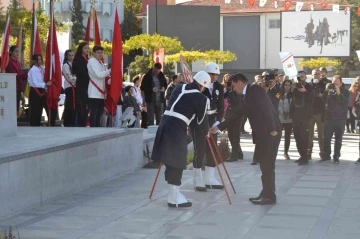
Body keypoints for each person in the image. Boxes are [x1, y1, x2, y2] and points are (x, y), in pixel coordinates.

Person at [210, 72, 282, 205]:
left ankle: (269, 196)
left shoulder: (255, 90)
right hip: (262, 134)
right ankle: (266, 192)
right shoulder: (246, 95)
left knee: (267, 165)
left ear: (239, 82)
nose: (232, 89)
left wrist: (272, 129)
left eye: (232, 85)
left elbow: (266, 108)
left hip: (270, 133)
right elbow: (236, 114)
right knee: (264, 164)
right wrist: (219, 126)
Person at [151, 71, 210, 207]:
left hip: (164, 123)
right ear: (203, 86)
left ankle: (173, 194)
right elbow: (201, 121)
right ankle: (174, 197)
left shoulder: (179, 87)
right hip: (177, 127)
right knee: (177, 160)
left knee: (170, 159)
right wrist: (206, 132)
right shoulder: (201, 98)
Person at [194, 62, 224, 190]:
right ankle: (197, 180)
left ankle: (210, 178)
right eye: (212, 74)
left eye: (216, 75)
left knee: (212, 150)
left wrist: (217, 123)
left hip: (212, 121)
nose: (214, 77)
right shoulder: (199, 86)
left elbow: (221, 106)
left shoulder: (218, 87)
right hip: (200, 121)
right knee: (200, 150)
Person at [320, 76, 350, 164]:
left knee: (338, 139)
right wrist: (326, 90)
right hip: (329, 117)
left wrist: (339, 92)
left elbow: (344, 102)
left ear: (341, 83)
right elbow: (323, 100)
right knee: (326, 138)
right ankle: (326, 156)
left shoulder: (345, 91)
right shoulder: (329, 90)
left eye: (337, 84)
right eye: (333, 83)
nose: (334, 85)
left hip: (340, 118)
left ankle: (336, 156)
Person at [290, 71, 313, 165]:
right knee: (297, 136)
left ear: (305, 77)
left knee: (304, 136)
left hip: (305, 116)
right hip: (295, 115)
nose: (300, 78)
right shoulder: (295, 87)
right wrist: (292, 89)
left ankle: (305, 157)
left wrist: (305, 92)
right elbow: (290, 98)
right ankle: (301, 155)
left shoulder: (309, 86)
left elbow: (312, 99)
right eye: (299, 77)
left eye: (302, 77)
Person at [87, 45, 111, 127]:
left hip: (101, 92)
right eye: (98, 53)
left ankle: (97, 128)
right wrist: (110, 71)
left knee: (99, 113)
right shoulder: (91, 61)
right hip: (94, 92)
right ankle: (94, 128)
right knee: (94, 113)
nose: (100, 54)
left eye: (101, 53)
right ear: (93, 53)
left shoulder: (101, 63)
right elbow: (99, 75)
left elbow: (104, 77)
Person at [28, 54, 52, 126]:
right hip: (35, 91)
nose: (40, 61)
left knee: (40, 110)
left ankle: (38, 124)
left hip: (42, 90)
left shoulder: (41, 68)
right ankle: (33, 125)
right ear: (34, 61)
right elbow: (35, 83)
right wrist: (45, 84)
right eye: (38, 59)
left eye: (40, 59)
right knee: (35, 110)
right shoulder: (33, 70)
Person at [308, 69, 326, 160]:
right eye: (315, 74)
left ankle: (322, 153)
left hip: (320, 113)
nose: (317, 76)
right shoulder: (308, 85)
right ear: (312, 75)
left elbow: (327, 98)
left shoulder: (324, 85)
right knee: (309, 135)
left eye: (318, 74)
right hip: (310, 114)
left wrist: (321, 96)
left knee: (321, 135)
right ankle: (308, 153)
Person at [72, 42, 90, 127]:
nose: (87, 50)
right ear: (81, 49)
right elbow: (82, 72)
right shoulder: (78, 59)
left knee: (87, 105)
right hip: (82, 84)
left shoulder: (87, 59)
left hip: (88, 85)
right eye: (85, 48)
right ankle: (81, 123)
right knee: (83, 105)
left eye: (88, 48)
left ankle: (84, 122)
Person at [5, 45, 28, 113]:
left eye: (18, 51)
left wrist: (28, 75)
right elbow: (14, 74)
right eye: (16, 51)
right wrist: (27, 73)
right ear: (11, 52)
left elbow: (21, 75)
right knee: (12, 107)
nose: (18, 53)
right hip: (12, 87)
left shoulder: (17, 62)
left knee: (17, 107)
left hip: (18, 87)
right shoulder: (9, 62)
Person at [279, 79, 293, 160]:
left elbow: (293, 105)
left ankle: (286, 152)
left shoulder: (292, 95)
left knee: (287, 136)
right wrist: (282, 112)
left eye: (288, 85)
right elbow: (277, 103)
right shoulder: (279, 94)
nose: (287, 87)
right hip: (280, 118)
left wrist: (288, 113)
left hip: (289, 118)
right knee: (277, 135)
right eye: (285, 85)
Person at [62, 50, 77, 127]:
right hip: (69, 87)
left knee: (74, 106)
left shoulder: (74, 64)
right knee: (69, 105)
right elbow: (70, 77)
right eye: (70, 55)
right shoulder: (66, 65)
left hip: (75, 87)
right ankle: (67, 123)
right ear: (66, 56)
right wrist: (78, 79)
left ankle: (73, 122)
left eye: (72, 55)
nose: (71, 57)